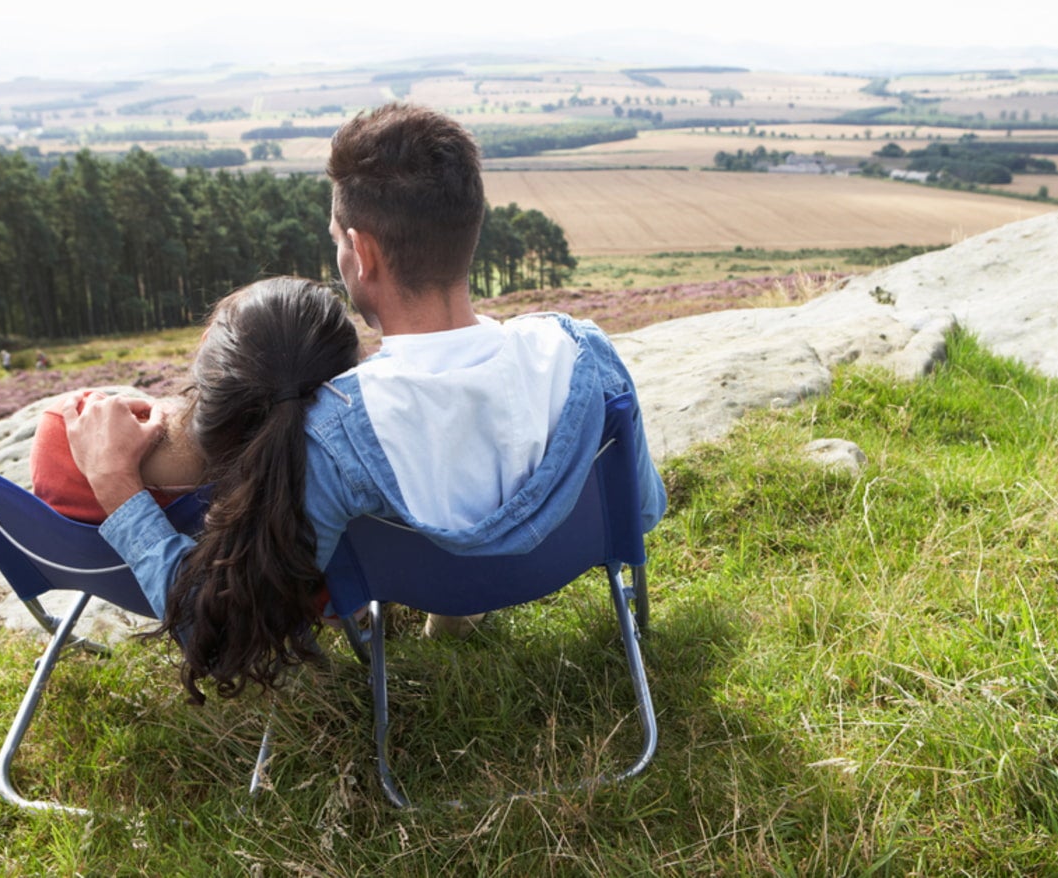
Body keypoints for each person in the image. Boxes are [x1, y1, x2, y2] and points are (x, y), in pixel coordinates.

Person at [69, 102, 666, 698]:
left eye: (336, 241)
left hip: (436, 590)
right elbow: (639, 510)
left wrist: (116, 483)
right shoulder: (582, 349)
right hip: (557, 572)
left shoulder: (334, 433)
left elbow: (219, 636)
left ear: (362, 251)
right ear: (469, 225)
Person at [51, 277, 360, 703]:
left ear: (207, 361)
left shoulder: (61, 432)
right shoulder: (312, 510)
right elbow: (347, 612)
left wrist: (117, 483)